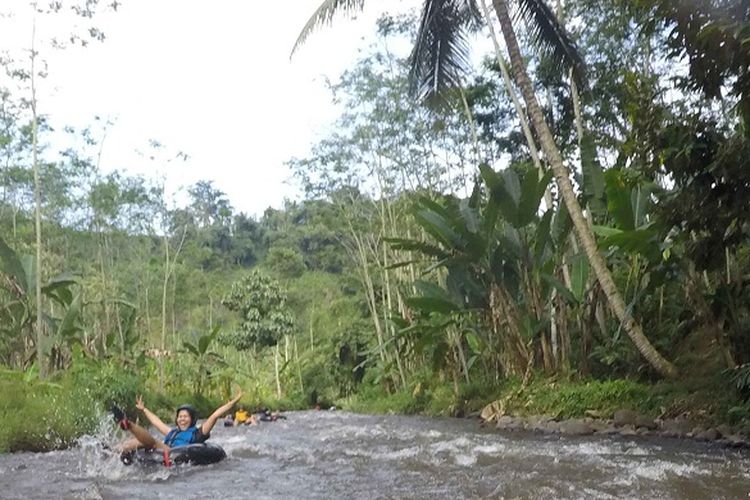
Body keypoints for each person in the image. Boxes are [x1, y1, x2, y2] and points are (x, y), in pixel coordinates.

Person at [112, 392, 243, 458]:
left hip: (173, 453)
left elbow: (214, 416)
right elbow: (157, 422)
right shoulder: (173, 432)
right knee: (137, 441)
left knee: (152, 442)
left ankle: (128, 424)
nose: (182, 419)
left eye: (185, 417)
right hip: (161, 451)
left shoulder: (198, 433)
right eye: (180, 417)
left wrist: (232, 403)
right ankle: (114, 451)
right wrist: (144, 409)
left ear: (192, 419)